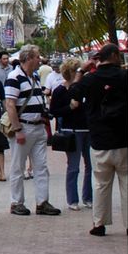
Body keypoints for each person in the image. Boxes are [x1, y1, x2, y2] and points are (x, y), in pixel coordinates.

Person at [70, 43, 127, 236]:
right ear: (114, 55)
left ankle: (99, 224)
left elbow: (74, 93)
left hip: (99, 139)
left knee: (101, 184)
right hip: (124, 139)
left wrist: (80, 70)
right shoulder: (125, 76)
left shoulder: (90, 79)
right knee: (127, 183)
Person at [4, 45, 60, 216]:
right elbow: (10, 105)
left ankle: (42, 202)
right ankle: (16, 202)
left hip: (38, 127)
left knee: (41, 166)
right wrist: (18, 129)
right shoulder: (14, 77)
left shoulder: (34, 76)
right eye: (37, 57)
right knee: (18, 167)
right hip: (24, 127)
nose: (39, 60)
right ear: (28, 58)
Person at [50, 58, 92, 211]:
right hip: (71, 131)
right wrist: (69, 108)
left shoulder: (84, 88)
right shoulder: (60, 90)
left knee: (91, 165)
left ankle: (88, 197)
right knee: (74, 167)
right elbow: (54, 111)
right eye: (77, 71)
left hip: (87, 130)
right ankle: (72, 199)